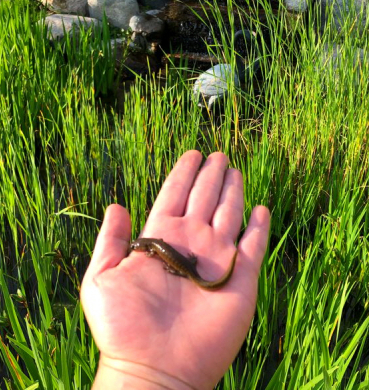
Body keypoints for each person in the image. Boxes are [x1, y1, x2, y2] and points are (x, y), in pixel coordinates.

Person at [81, 150, 271, 389]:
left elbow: (154, 251)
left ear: (143, 247)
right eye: (137, 248)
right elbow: (153, 249)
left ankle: (191, 269)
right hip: (187, 266)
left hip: (187, 269)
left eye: (136, 247)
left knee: (186, 270)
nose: (135, 248)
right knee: (186, 268)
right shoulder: (152, 244)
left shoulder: (151, 247)